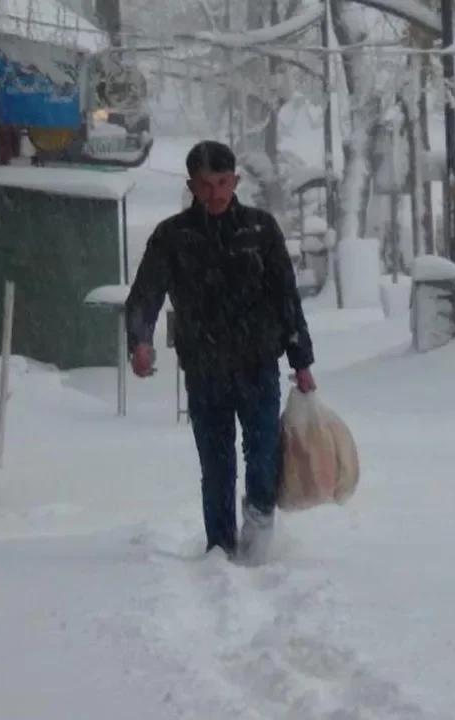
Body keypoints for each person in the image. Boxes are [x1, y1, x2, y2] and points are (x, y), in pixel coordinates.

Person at [125, 140, 316, 563]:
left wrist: (301, 360)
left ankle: (259, 533)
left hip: (257, 364)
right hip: (204, 366)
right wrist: (140, 340)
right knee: (216, 462)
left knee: (263, 454)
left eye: (223, 183)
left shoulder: (260, 231)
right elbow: (146, 293)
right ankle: (220, 548)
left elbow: (286, 297)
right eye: (205, 185)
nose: (215, 194)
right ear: (191, 186)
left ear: (236, 181)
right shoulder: (174, 237)